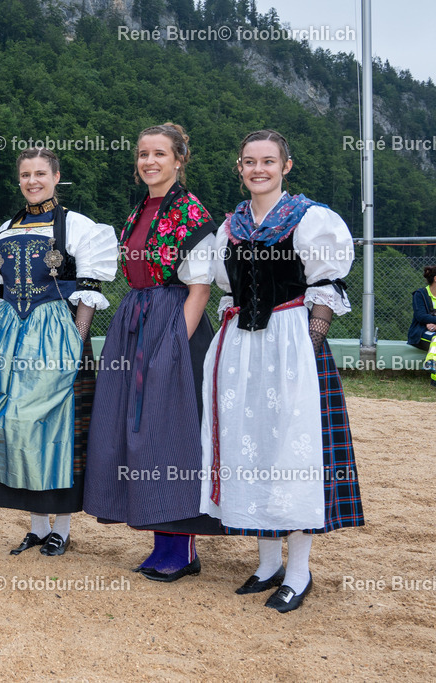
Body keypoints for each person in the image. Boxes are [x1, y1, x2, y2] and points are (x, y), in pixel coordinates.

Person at [201, 129, 364, 613]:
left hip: (292, 342)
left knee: (293, 451)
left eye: (268, 161)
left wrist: (309, 349)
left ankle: (299, 571)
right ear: (239, 167)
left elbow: (324, 291)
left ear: (285, 167)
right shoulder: (230, 226)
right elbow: (229, 292)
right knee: (251, 446)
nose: (258, 169)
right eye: (249, 161)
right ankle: (267, 562)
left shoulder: (311, 219)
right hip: (242, 348)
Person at [83, 123, 220, 581]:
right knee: (135, 427)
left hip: (174, 321)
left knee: (170, 434)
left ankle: (181, 547)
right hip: (137, 319)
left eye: (160, 154)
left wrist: (171, 345)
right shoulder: (142, 209)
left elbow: (199, 289)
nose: (149, 162)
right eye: (143, 154)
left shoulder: (191, 213)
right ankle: (163, 539)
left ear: (179, 159)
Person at [0, 148, 117, 556]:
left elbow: (89, 291)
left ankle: (63, 528)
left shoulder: (76, 225)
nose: (32, 181)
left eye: (40, 174)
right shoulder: (6, 227)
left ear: (56, 176)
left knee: (59, 428)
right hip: (13, 337)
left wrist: (76, 339)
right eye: (25, 174)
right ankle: (36, 526)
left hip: (58, 335)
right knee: (14, 424)